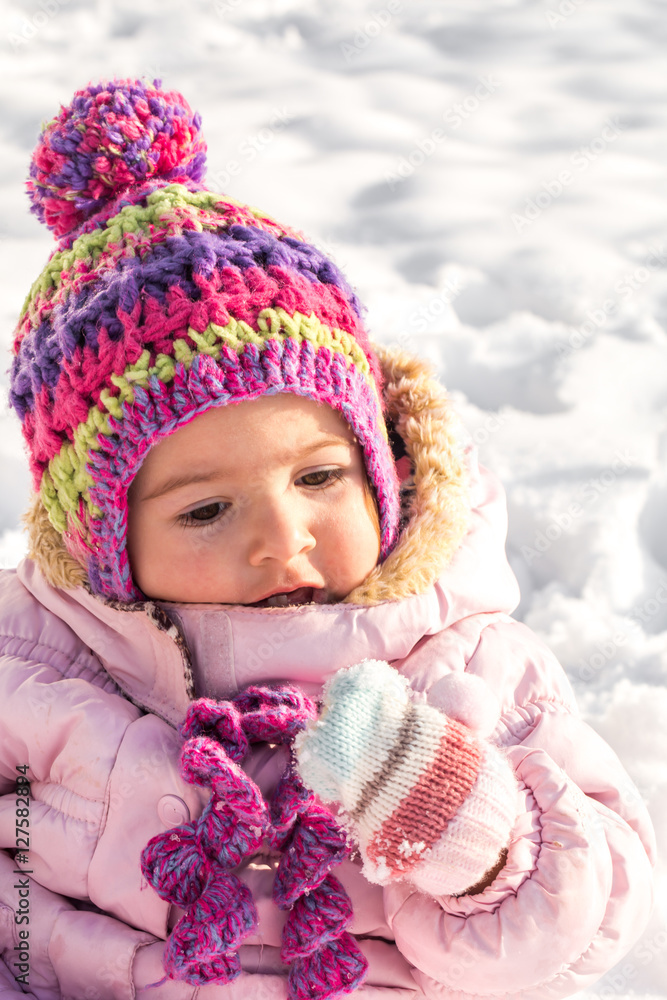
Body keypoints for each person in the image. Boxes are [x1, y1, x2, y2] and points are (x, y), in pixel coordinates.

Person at [0, 77, 656, 1000]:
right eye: (205, 511)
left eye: (316, 478)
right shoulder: (40, 667)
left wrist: (467, 830)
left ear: (377, 467)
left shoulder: (461, 666)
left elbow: (589, 922)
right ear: (101, 537)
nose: (282, 540)